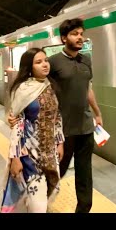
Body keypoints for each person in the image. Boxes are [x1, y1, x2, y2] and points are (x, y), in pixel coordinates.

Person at [9, 18, 103, 213]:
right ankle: (42, 205)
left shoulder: (86, 60)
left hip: (85, 126)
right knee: (54, 174)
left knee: (85, 174)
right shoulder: (53, 63)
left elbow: (88, 89)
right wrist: (16, 116)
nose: (80, 37)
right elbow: (38, 90)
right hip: (62, 132)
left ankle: (83, 209)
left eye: (81, 33)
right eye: (75, 34)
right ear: (63, 38)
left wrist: (97, 113)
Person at [1, 48, 64, 213]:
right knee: (38, 203)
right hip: (29, 154)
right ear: (29, 67)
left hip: (50, 153)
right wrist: (14, 157)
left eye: (46, 60)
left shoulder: (51, 86)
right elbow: (17, 125)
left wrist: (60, 142)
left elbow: (57, 117)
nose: (45, 65)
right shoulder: (23, 89)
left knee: (53, 190)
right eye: (38, 62)